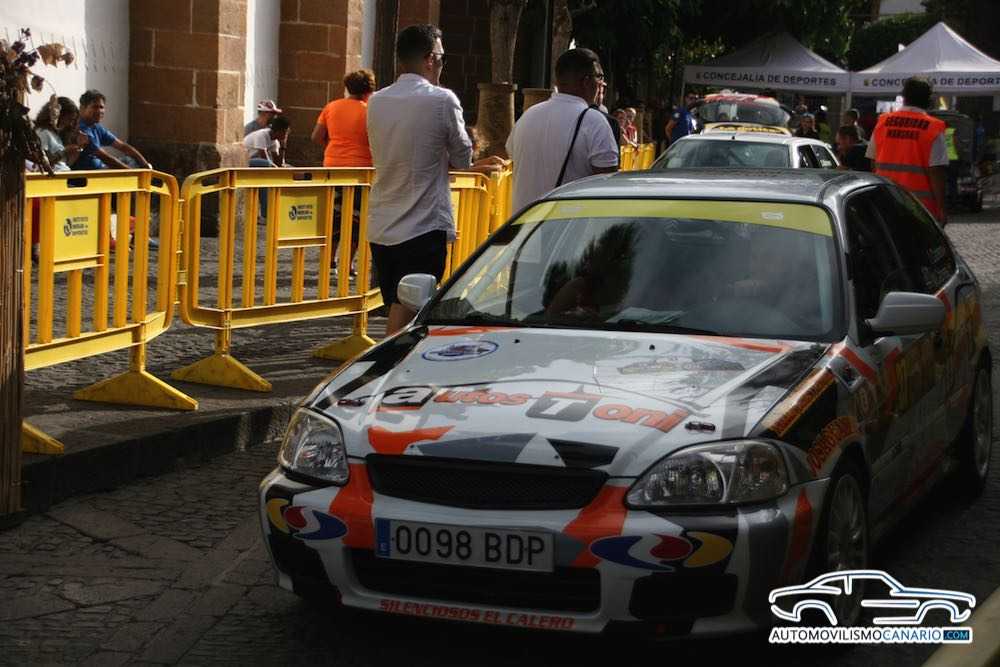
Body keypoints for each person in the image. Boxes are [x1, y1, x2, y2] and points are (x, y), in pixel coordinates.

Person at [367, 24, 500, 336]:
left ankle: (394, 357)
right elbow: (462, 157)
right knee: (410, 308)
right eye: (441, 58)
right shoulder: (441, 99)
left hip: (383, 221)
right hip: (422, 223)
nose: (442, 64)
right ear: (429, 59)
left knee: (397, 303)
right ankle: (393, 361)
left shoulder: (377, 100)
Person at [506, 48, 619, 212]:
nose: (600, 83)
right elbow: (606, 184)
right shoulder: (594, 121)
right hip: (568, 224)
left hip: (525, 223)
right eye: (599, 77)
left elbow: (511, 155)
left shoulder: (528, 115)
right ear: (586, 81)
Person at [312, 69, 376, 275]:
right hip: (360, 171)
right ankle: (347, 264)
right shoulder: (369, 110)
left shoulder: (331, 106)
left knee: (334, 215)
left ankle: (329, 261)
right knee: (356, 218)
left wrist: (334, 148)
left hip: (333, 167)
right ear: (369, 89)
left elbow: (316, 136)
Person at [866, 77, 948, 225]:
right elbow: (936, 172)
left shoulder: (883, 122)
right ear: (928, 100)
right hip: (920, 208)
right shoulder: (933, 127)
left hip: (885, 200)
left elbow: (873, 162)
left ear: (903, 97)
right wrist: (941, 208)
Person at [74, 89, 151, 170]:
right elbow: (106, 158)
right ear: (82, 108)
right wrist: (132, 173)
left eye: (101, 107)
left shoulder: (95, 126)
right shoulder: (81, 129)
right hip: (91, 174)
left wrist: (146, 164)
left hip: (102, 168)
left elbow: (123, 146)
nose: (99, 111)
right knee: (129, 164)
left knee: (130, 160)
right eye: (95, 107)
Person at [34, 97, 84, 171]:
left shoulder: (57, 135)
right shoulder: (43, 132)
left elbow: (65, 164)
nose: (70, 124)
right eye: (69, 119)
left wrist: (79, 147)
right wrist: (65, 151)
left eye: (73, 120)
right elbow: (42, 162)